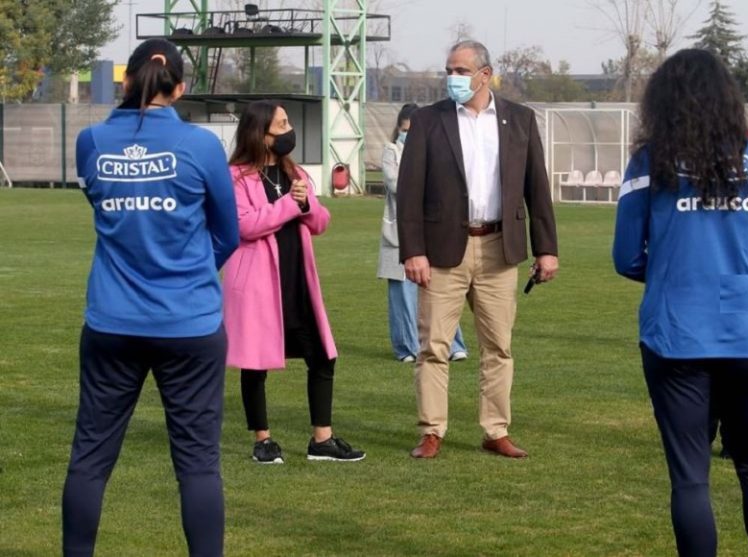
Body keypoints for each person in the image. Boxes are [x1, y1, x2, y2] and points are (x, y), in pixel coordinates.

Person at [62, 39, 239, 557]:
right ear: (180, 88)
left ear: (126, 81)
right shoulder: (201, 145)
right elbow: (227, 232)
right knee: (198, 463)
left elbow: (103, 206)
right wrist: (187, 276)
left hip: (112, 321)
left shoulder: (91, 141)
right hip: (190, 324)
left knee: (90, 458)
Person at [613, 49, 748, 557]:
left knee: (691, 478)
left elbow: (625, 257)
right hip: (746, 334)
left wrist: (671, 271)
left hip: (675, 333)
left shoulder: (649, 162)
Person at [396, 40, 559, 459]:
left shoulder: (520, 120)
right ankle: (432, 431)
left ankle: (495, 430)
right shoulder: (428, 121)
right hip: (442, 251)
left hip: (498, 249)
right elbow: (409, 192)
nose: (453, 77)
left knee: (498, 346)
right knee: (434, 346)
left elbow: (536, 190)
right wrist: (412, 250)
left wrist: (547, 250)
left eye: (461, 70)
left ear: (485, 74)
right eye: (449, 70)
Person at [223, 100, 365, 464]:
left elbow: (320, 222)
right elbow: (246, 226)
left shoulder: (294, 171)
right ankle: (263, 440)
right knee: (255, 363)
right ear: (262, 134)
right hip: (256, 283)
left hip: (296, 279)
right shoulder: (236, 176)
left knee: (322, 355)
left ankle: (322, 440)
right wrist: (290, 204)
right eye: (282, 125)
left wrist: (306, 205)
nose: (289, 130)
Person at [377, 103, 468, 363]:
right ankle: (407, 348)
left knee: (440, 293)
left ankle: (453, 344)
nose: (409, 133)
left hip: (431, 235)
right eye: (405, 129)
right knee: (402, 296)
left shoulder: (437, 150)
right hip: (397, 235)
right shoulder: (392, 151)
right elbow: (397, 185)